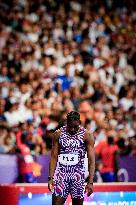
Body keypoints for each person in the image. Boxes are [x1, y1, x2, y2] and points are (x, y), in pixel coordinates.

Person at [48, 111, 95, 205]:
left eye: (75, 126)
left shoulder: (87, 135)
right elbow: (53, 157)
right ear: (66, 123)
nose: (73, 129)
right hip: (61, 175)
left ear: (80, 123)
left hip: (78, 176)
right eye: (70, 127)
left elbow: (91, 161)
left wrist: (90, 182)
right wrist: (51, 177)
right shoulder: (58, 134)